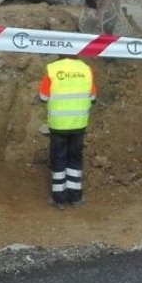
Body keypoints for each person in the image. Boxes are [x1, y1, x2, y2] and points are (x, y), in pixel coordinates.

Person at [38, 55, 96, 209]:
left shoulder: (52, 69)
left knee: (59, 160)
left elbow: (43, 96)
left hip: (58, 126)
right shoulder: (86, 69)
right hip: (79, 124)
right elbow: (93, 96)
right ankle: (75, 198)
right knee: (75, 159)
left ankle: (59, 200)